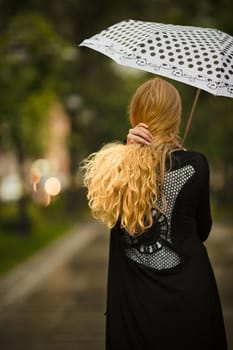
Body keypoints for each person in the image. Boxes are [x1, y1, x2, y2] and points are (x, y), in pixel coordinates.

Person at [81, 77, 228, 350]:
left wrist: (127, 152)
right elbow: (202, 230)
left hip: (134, 300)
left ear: (135, 113)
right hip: (189, 297)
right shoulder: (196, 164)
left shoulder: (115, 169)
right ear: (175, 117)